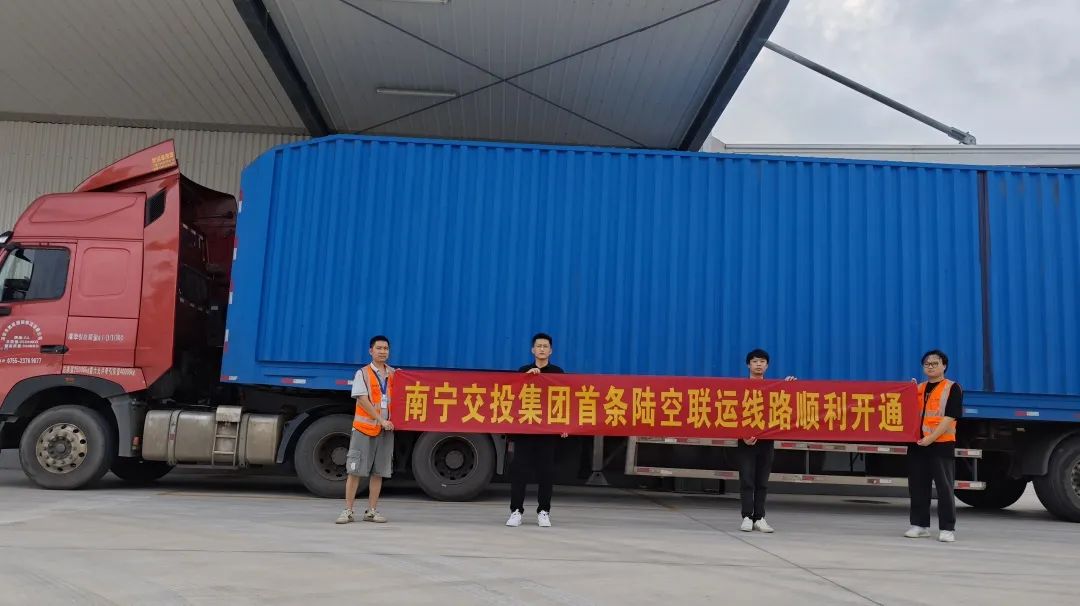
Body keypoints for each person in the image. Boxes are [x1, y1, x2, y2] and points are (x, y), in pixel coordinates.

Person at [506, 333, 568, 528]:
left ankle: (544, 511)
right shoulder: (523, 371)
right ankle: (516, 511)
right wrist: (527, 378)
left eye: (545, 346)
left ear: (551, 351)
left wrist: (564, 425)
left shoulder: (558, 373)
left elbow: (564, 399)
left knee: (546, 472)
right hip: (525, 428)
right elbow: (513, 396)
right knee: (519, 471)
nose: (542, 349)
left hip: (547, 431)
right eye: (538, 346)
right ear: (533, 350)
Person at [905, 349, 963, 543]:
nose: (930, 367)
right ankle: (919, 525)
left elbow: (950, 417)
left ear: (944, 366)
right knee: (917, 486)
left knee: (944, 487)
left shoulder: (952, 388)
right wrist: (908, 390)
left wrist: (931, 438)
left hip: (941, 444)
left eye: (935, 363)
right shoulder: (919, 388)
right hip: (918, 444)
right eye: (927, 364)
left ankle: (947, 528)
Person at [336, 335, 395, 525]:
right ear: (371, 351)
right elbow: (362, 399)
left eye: (386, 348)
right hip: (364, 429)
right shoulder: (362, 373)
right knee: (355, 470)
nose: (383, 351)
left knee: (378, 472)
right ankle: (348, 510)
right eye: (379, 348)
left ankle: (371, 511)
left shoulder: (394, 374)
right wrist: (380, 419)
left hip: (385, 431)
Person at [738, 349, 796, 533]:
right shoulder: (739, 388)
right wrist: (743, 435)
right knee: (747, 480)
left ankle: (759, 517)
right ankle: (747, 517)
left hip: (766, 441)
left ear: (767, 366)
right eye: (755, 361)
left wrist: (789, 385)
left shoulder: (773, 388)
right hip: (746, 441)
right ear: (748, 365)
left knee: (762, 481)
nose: (758, 364)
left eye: (762, 361)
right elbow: (732, 414)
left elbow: (786, 404)